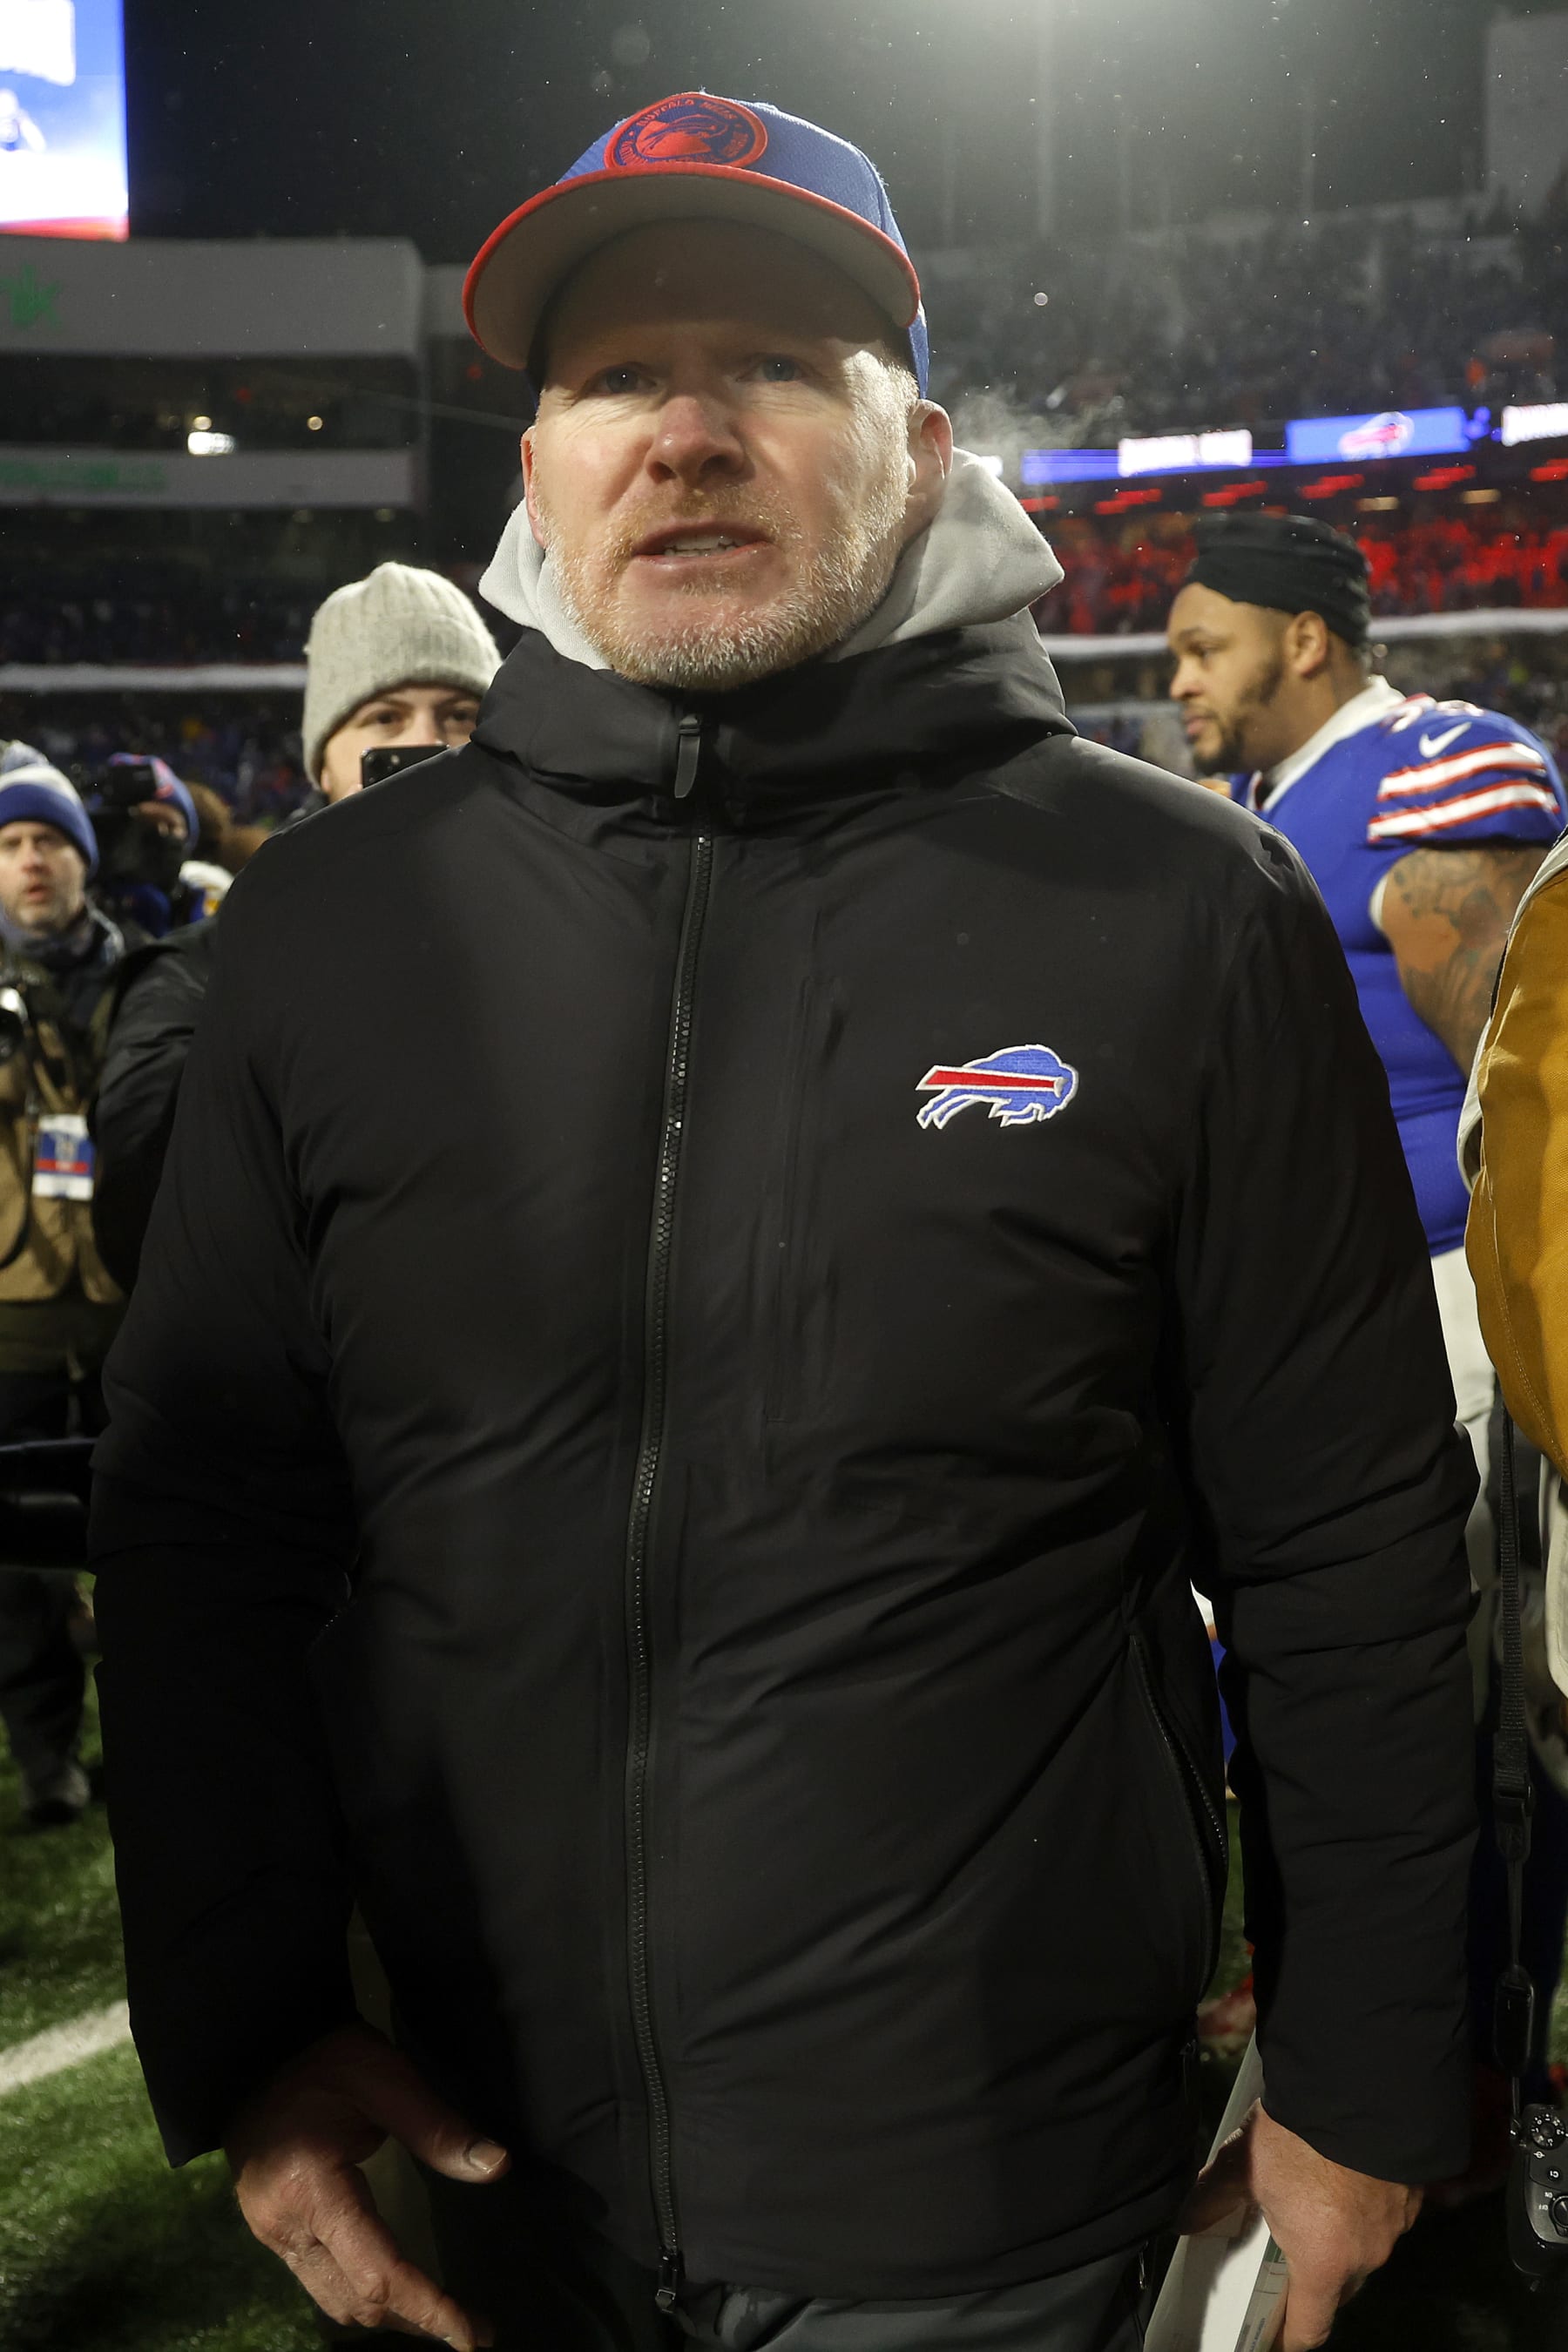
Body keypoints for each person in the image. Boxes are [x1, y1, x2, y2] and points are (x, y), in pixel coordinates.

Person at [93, 95, 1476, 2352]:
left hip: (994, 2204)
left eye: (767, 363)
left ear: (914, 445)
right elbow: (204, 1519)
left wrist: (1371, 2071)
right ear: (530, 466)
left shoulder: (1174, 909)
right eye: (619, 376)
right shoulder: (336, 929)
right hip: (482, 2166)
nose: (688, 431)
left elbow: (1346, 1543)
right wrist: (248, 2021)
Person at [1166, 512, 1568, 2169]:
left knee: (1457, 1695)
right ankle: (1329, 1987)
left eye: (1204, 647)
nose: (1178, 677)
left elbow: (1504, 1026)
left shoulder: (1436, 759)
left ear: (1306, 642)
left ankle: (1476, 2050)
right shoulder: (1252, 810)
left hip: (1443, 1295)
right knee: (1308, 1675)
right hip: (1307, 1309)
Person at [90, 565, 502, 1292]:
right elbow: (140, 1230)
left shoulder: (571, 939)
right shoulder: (205, 972)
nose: (430, 744)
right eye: (384, 718)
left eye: (462, 714)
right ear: (324, 762)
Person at [0, 747, 125, 1828]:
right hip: (14, 1325)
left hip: (135, 1313)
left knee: (144, 1545)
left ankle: (142, 1728)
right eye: (9, 844)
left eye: (48, 839)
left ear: (81, 858)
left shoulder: (145, 974)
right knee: (18, 1564)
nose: (31, 861)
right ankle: (48, 1758)